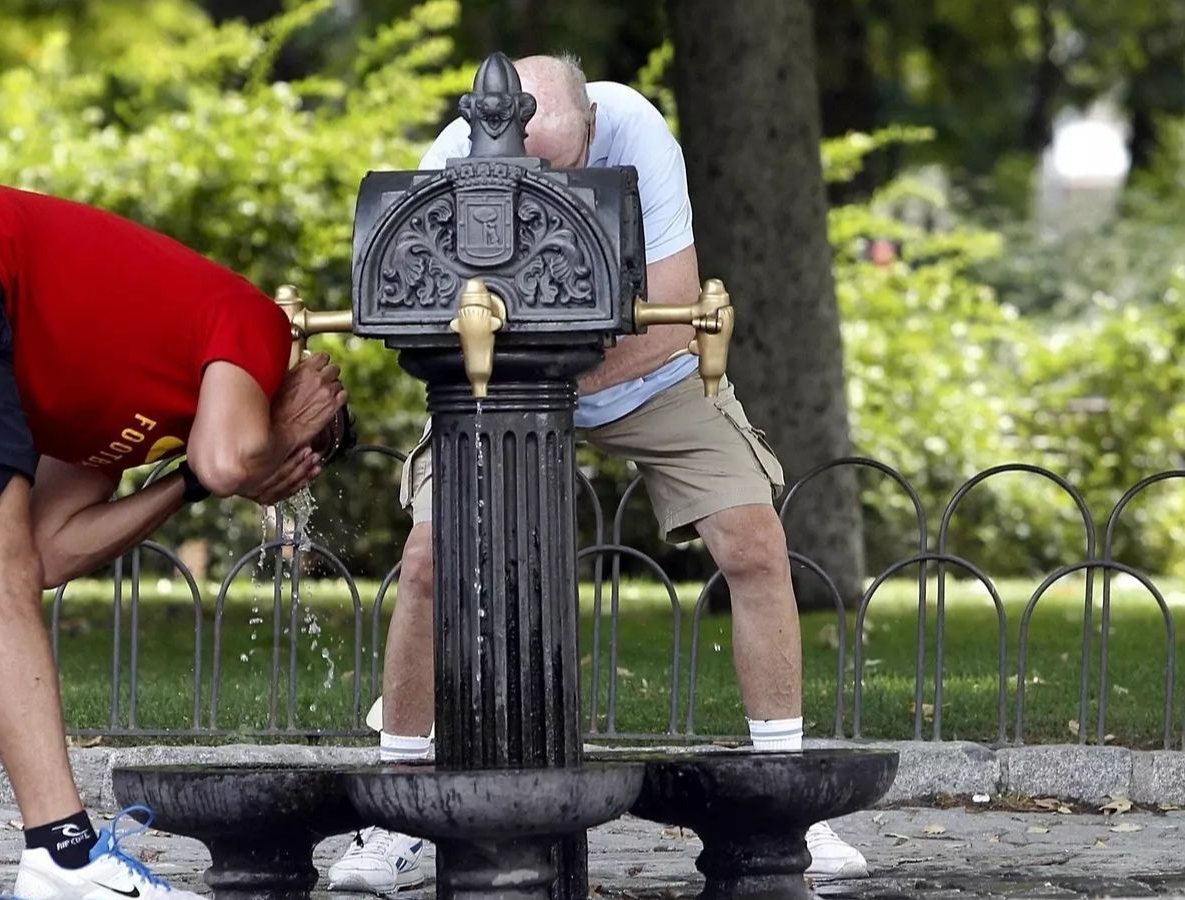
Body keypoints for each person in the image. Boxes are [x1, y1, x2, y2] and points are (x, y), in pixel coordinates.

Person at [325, 55, 868, 894]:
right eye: (522, 164)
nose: (539, 182)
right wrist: (514, 389)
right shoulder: (447, 158)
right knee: (430, 564)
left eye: (560, 165)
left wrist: (547, 379)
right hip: (488, 391)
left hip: (639, 375)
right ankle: (392, 817)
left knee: (756, 545)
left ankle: (787, 805)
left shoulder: (634, 128)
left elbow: (677, 303)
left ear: (590, 125)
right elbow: (409, 316)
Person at [0, 181, 349, 900]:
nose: (290, 474)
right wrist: (265, 450)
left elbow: (51, 551)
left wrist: (185, 484)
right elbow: (229, 458)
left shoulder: (134, 414)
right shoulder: (255, 321)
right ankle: (64, 853)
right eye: (303, 453)